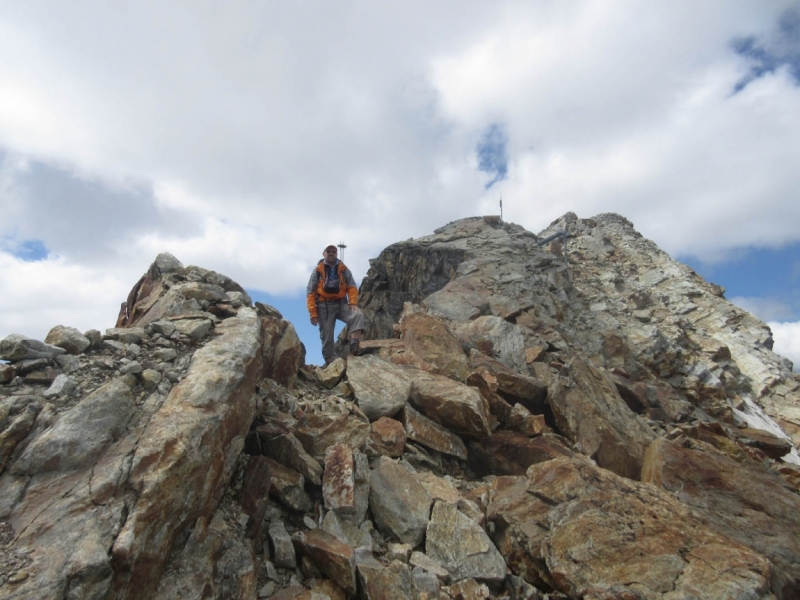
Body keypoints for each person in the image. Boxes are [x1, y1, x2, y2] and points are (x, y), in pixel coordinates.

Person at [306, 244, 366, 365]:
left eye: (334, 251)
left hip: (342, 303)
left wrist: (352, 302)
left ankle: (354, 346)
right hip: (324, 306)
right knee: (327, 335)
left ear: (337, 254)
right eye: (329, 251)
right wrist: (313, 313)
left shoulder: (344, 269)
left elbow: (352, 287)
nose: (331, 253)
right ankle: (329, 361)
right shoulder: (317, 271)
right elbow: (311, 292)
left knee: (357, 315)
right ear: (324, 253)